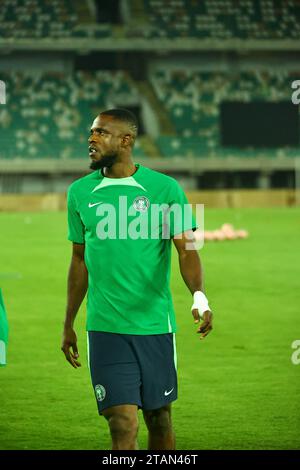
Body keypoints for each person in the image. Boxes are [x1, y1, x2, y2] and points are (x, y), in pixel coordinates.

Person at [61, 108, 213, 450]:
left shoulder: (165, 189)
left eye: (101, 133)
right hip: (105, 326)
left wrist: (199, 296)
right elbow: (78, 259)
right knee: (122, 422)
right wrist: (68, 322)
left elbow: (187, 250)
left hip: (155, 325)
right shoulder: (79, 193)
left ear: (126, 140)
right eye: (91, 133)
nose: (91, 139)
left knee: (159, 418)